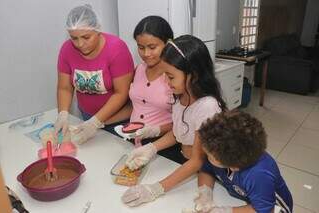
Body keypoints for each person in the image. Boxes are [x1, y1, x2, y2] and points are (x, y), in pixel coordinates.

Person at [121, 35, 227, 207]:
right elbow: (180, 133)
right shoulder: (180, 95)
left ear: (193, 76)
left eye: (170, 77)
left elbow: (198, 160)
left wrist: (156, 189)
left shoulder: (207, 107)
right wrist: (152, 147)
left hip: (202, 171)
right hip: (183, 163)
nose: (165, 81)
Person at [54, 4, 134, 144]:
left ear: (97, 30)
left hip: (117, 119)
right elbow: (65, 88)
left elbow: (121, 93)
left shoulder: (116, 49)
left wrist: (96, 122)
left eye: (86, 37)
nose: (80, 44)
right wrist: (63, 114)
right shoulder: (67, 50)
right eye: (74, 38)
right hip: (87, 115)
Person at [194, 111, 293, 213]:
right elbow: (206, 171)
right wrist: (205, 192)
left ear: (233, 167)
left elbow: (262, 210)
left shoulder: (259, 175)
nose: (205, 155)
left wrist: (225, 211)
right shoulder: (220, 152)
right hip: (245, 199)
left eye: (209, 156)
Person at [112, 15, 174, 142]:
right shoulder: (138, 70)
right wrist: (100, 122)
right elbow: (135, 106)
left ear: (167, 44)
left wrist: (155, 130)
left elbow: (184, 123)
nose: (146, 54)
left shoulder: (174, 76)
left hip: (162, 143)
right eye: (141, 47)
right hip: (134, 140)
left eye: (152, 47)